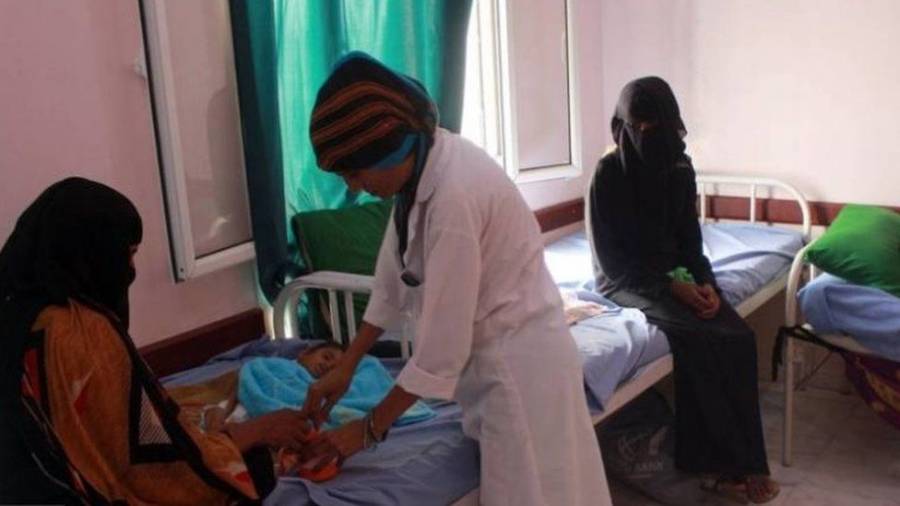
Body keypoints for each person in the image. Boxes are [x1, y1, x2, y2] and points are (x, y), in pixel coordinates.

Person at [296, 52, 611, 506]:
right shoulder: (421, 172)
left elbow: (441, 352)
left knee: (536, 492)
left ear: (388, 149)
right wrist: (348, 364)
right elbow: (391, 283)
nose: (354, 187)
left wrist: (366, 431)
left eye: (355, 172)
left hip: (518, 369)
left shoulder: (453, 198)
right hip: (502, 360)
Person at [0, 178, 311, 504]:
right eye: (127, 254)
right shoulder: (80, 334)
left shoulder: (14, 308)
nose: (131, 269)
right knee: (253, 472)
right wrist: (255, 432)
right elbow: (146, 467)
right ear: (94, 253)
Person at [588, 77, 780, 503]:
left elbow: (690, 243)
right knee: (697, 338)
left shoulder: (678, 168)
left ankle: (745, 463)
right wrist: (670, 288)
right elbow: (612, 262)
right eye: (642, 128)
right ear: (623, 127)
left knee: (737, 336)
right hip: (625, 279)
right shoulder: (608, 175)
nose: (652, 137)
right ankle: (711, 464)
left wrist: (706, 284)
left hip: (674, 273)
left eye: (660, 127)